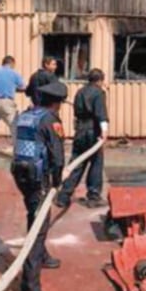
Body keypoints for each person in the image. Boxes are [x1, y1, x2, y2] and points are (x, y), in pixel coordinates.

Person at [11, 81, 67, 291]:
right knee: (38, 228)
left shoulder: (26, 115)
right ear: (56, 102)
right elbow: (57, 154)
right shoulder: (50, 119)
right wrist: (57, 181)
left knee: (34, 213)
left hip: (20, 172)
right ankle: (30, 289)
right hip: (37, 177)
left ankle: (42, 256)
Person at [56, 68, 109, 208]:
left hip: (80, 130)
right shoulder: (99, 93)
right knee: (96, 162)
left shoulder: (80, 92)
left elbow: (77, 113)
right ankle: (93, 195)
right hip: (93, 130)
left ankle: (64, 195)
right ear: (100, 80)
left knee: (76, 162)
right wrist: (104, 130)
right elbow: (100, 113)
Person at [0, 55, 26, 151]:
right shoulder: (14, 74)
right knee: (14, 125)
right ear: (12, 63)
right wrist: (13, 88)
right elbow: (23, 87)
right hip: (7, 101)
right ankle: (18, 148)